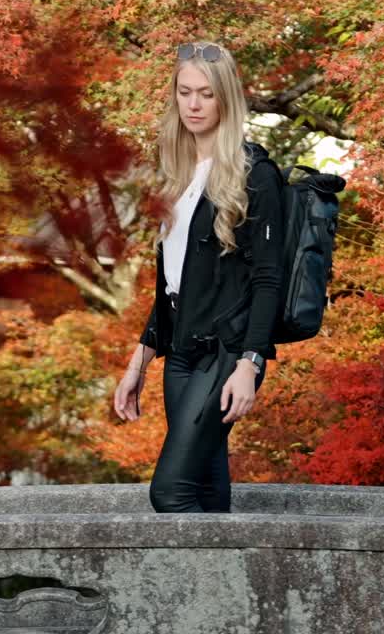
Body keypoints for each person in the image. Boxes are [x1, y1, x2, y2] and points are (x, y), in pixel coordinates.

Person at [112, 40, 287, 513]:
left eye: (206, 94)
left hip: (226, 353)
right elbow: (175, 286)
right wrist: (138, 363)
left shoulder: (255, 174)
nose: (193, 104)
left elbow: (269, 280)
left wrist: (249, 363)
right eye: (185, 92)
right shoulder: (176, 173)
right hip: (181, 353)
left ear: (225, 99)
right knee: (206, 486)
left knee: (170, 491)